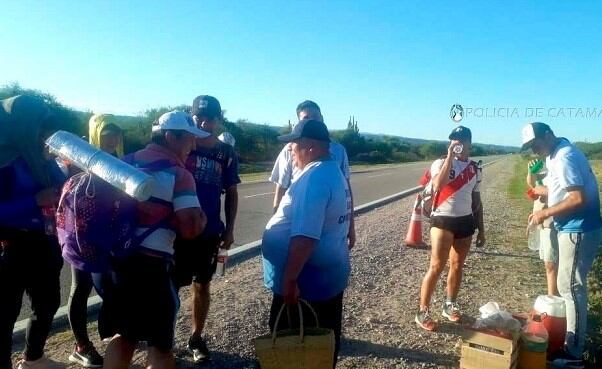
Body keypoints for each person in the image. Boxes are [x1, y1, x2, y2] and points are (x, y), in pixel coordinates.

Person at [103, 111, 208, 369]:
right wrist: (201, 217)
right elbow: (191, 229)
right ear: (170, 137)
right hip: (152, 267)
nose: (193, 146)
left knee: (124, 336)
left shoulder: (123, 163)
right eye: (189, 140)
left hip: (117, 263)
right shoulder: (179, 175)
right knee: (160, 346)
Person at [262, 119, 353, 367]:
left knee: (296, 347)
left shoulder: (313, 179)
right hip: (325, 278)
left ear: (310, 147)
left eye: (293, 147)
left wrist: (290, 280)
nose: (290, 153)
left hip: (305, 284)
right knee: (323, 341)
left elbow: (305, 237)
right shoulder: (332, 171)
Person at [522, 122, 602, 368]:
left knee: (570, 287)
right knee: (566, 285)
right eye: (530, 147)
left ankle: (574, 353)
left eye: (535, 144)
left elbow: (577, 198)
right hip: (572, 227)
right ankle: (571, 341)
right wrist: (540, 191)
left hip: (578, 229)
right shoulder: (555, 155)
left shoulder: (565, 156)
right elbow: (559, 189)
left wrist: (544, 215)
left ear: (548, 135)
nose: (534, 150)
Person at [0, 95, 66, 369]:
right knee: (5, 313)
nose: (45, 134)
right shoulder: (4, 161)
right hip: (11, 244)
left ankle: (33, 358)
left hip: (44, 241)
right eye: (39, 128)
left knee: (48, 302)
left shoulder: (41, 156)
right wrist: (34, 201)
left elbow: (63, 186)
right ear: (23, 126)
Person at [173, 95, 240, 363]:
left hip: (210, 231)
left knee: (202, 285)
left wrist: (230, 229)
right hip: (177, 231)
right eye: (199, 117)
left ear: (218, 120)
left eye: (210, 118)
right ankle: (162, 340)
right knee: (171, 287)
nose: (204, 122)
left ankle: (196, 337)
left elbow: (232, 192)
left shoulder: (226, 153)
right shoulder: (183, 144)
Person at [64, 116, 124, 368]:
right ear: (96, 134)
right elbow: (65, 196)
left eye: (115, 135)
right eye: (106, 134)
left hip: (110, 235)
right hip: (80, 235)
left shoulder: (118, 162)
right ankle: (81, 346)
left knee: (112, 285)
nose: (111, 140)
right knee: (80, 288)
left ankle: (114, 333)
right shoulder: (76, 160)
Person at [415, 126, 485, 331]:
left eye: (462, 140)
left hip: (465, 220)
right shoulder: (440, 163)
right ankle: (422, 311)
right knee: (436, 267)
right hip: (442, 219)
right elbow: (438, 185)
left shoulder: (475, 168)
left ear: (469, 142)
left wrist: (481, 228)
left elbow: (477, 201)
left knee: (457, 265)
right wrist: (449, 158)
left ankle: (449, 304)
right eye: (454, 140)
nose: (458, 143)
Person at [269, 100, 356, 249]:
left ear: (322, 118)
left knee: (320, 259)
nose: (312, 121)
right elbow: (281, 187)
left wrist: (350, 226)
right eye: (306, 118)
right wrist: (276, 223)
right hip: (298, 220)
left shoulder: (338, 150)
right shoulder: (289, 150)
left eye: (315, 117)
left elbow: (346, 190)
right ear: (299, 123)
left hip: (329, 223)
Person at [526, 159, 559, 296]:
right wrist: (530, 171)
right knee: (548, 262)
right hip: (542, 220)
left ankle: (554, 301)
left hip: (552, 220)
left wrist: (544, 191)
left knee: (552, 263)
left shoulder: (559, 165)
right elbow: (532, 185)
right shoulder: (543, 163)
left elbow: (562, 194)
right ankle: (553, 298)